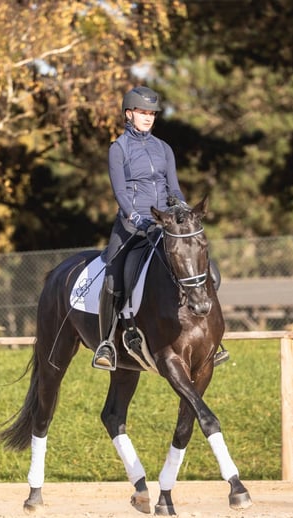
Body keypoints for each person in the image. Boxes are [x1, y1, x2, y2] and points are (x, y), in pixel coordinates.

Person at [92, 86, 228, 370]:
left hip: (165, 223)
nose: (148, 117)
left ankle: (212, 340)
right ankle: (106, 343)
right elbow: (119, 191)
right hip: (132, 225)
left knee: (208, 272)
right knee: (114, 278)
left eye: (151, 113)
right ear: (129, 114)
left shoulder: (163, 148)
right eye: (142, 112)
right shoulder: (118, 149)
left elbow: (174, 188)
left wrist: (182, 209)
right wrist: (135, 217)